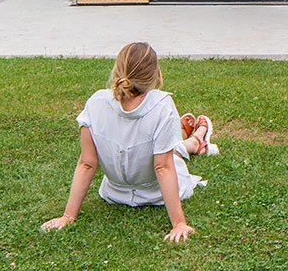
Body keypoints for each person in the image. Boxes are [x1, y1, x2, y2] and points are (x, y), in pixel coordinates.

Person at [40, 42, 218, 243]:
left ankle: (191, 139)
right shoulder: (162, 106)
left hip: (114, 193)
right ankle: (197, 139)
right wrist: (179, 223)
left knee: (164, 149)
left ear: (117, 69)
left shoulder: (96, 102)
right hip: (155, 194)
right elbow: (164, 167)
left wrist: (68, 216)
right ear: (155, 74)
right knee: (169, 153)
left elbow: (86, 163)